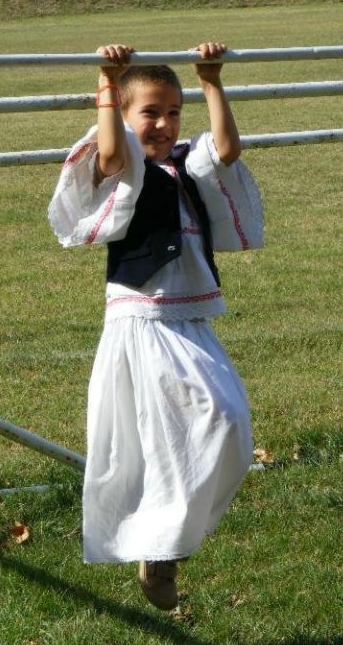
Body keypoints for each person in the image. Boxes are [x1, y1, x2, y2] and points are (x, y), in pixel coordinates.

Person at [48, 42, 264, 611]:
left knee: (230, 426)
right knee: (192, 426)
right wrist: (106, 80)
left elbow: (227, 149)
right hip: (143, 317)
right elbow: (112, 151)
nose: (164, 124)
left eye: (173, 112)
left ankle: (167, 542)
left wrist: (211, 79)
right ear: (123, 116)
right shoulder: (124, 170)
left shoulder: (189, 165)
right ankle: (160, 548)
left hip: (190, 317)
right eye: (150, 113)